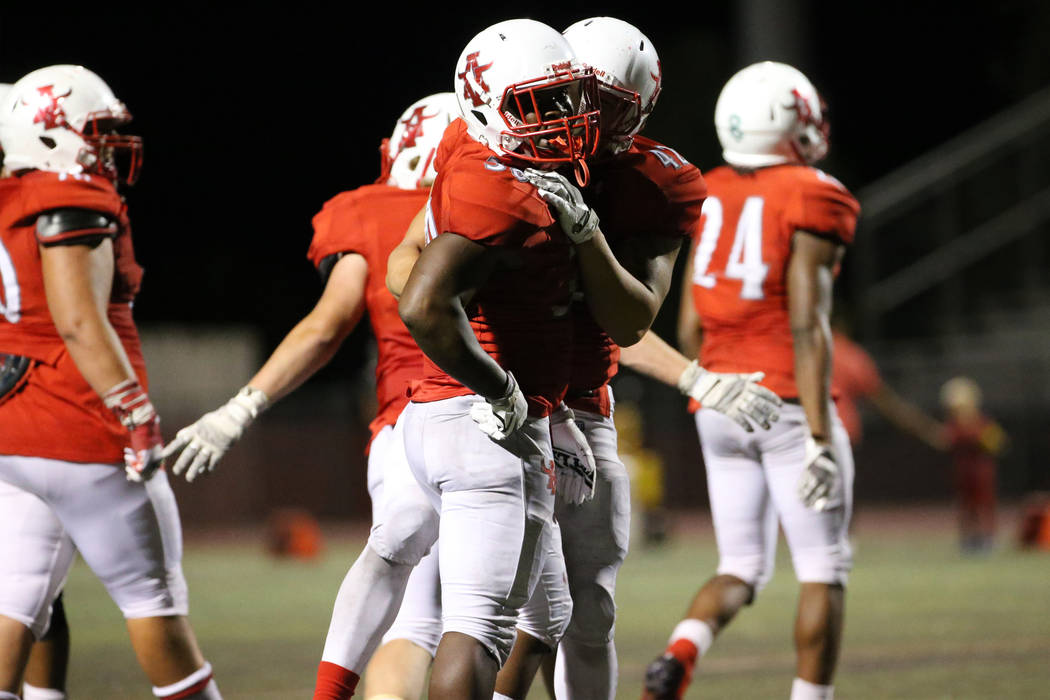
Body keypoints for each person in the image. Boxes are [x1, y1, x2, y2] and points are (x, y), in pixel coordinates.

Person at [490, 17, 781, 700]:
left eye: (603, 104)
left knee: (588, 611)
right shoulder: (493, 151)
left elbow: (631, 320)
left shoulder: (654, 183)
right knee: (501, 610)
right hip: (492, 400)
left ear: (638, 109)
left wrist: (696, 376)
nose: (582, 118)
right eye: (574, 95)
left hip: (585, 403)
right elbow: (424, 277)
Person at [160, 92, 459, 700]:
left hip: (406, 426)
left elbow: (327, 326)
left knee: (415, 619)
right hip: (507, 423)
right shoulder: (513, 200)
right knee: (517, 613)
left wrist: (240, 408)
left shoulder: (368, 211)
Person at [642, 61, 861, 700]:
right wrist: (821, 433)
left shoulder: (706, 189)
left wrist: (708, 385)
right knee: (824, 569)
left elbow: (689, 320)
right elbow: (809, 324)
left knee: (739, 565)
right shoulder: (813, 192)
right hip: (788, 400)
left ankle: (680, 650)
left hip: (718, 397)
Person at [0, 64, 220, 700]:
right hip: (79, 421)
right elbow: (76, 319)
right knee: (154, 600)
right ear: (48, 136)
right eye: (95, 133)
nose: (109, 148)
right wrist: (134, 410)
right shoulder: (67, 194)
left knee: (13, 606)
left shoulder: (13, 197)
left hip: (14, 427)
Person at [939, 376, 1005, 553]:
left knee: (984, 505)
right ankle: (969, 538)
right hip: (963, 471)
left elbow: (996, 442)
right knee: (966, 507)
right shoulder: (953, 425)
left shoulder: (982, 422)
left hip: (981, 471)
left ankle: (988, 537)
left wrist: (976, 436)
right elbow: (948, 442)